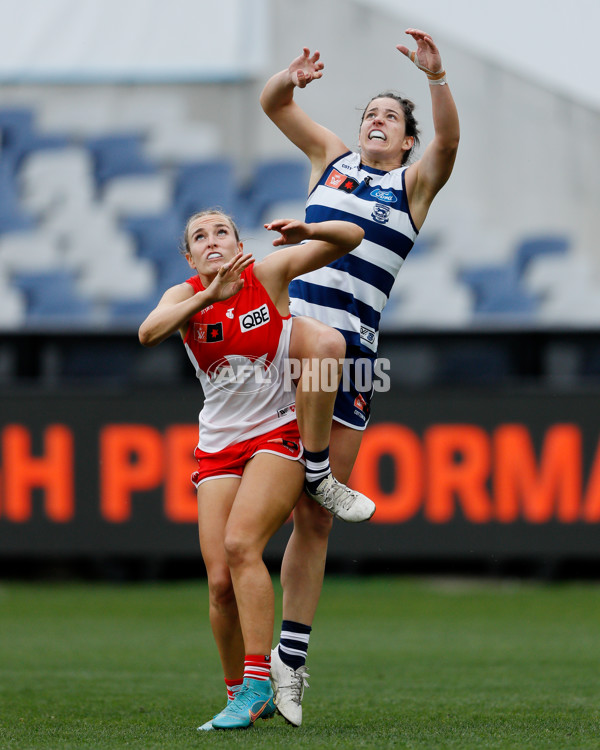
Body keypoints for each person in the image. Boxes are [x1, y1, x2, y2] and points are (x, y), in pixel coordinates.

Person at [260, 28, 460, 725]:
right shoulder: (330, 160)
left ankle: (290, 663)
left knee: (312, 522)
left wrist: (435, 80)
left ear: (407, 140)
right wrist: (288, 78)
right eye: (368, 112)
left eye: (389, 117)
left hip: (354, 355)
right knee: (251, 528)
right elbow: (273, 105)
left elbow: (451, 147)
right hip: (287, 345)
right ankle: (252, 674)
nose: (375, 120)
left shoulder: (411, 188)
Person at [138, 209, 365, 730]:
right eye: (200, 236)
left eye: (222, 232)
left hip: (277, 431)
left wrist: (307, 232)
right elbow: (149, 333)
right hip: (218, 444)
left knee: (242, 544)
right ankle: (239, 693)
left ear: (238, 242)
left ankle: (260, 680)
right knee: (219, 581)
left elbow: (351, 238)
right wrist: (206, 297)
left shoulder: (267, 274)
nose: (212, 241)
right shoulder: (184, 295)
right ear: (189, 256)